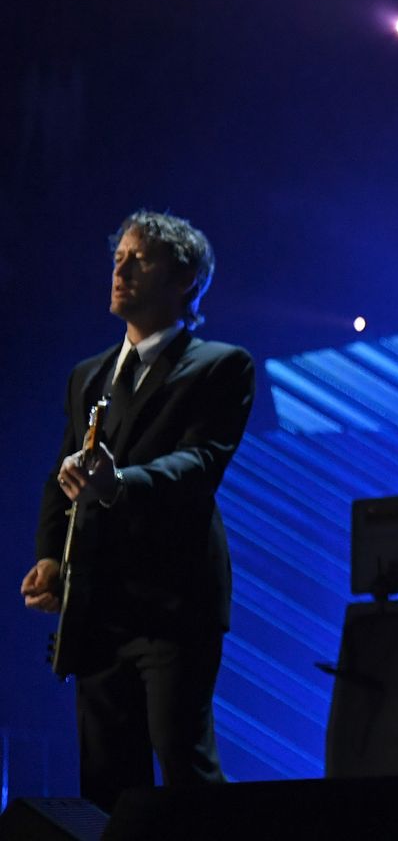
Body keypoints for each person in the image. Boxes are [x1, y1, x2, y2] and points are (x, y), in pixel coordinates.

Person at [19, 210, 253, 811]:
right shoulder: (87, 376)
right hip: (98, 606)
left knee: (184, 770)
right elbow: (59, 476)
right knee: (106, 786)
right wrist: (50, 557)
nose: (120, 268)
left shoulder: (221, 366)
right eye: (118, 256)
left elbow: (201, 463)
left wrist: (119, 483)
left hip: (175, 604)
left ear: (184, 280)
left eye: (139, 258)